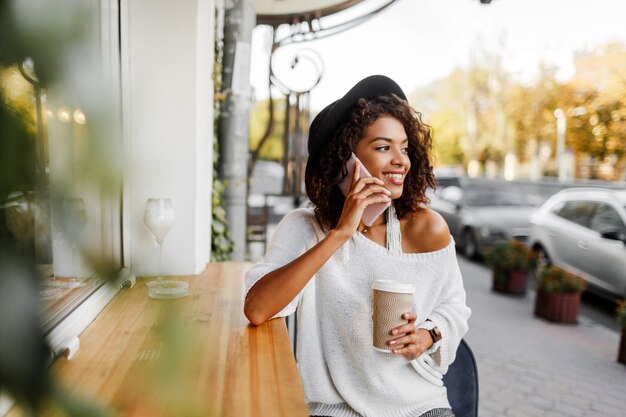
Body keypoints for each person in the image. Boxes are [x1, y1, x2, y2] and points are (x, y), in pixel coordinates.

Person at [244, 75, 471, 417]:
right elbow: (257, 309)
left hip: (419, 404)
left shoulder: (427, 226)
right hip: (335, 407)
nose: (401, 161)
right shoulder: (306, 228)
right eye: (383, 147)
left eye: (404, 147)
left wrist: (427, 334)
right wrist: (341, 233)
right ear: (344, 162)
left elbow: (454, 305)